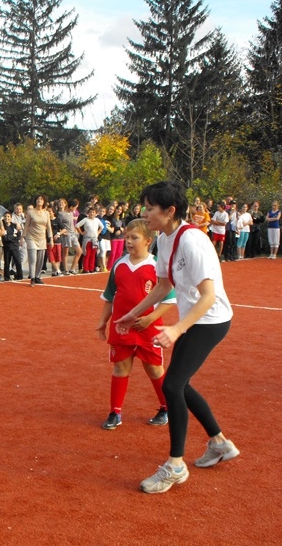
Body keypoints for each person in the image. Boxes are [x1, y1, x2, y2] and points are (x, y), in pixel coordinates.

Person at [115, 181, 239, 495]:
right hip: (194, 320)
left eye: (149, 208)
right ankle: (220, 443)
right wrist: (133, 313)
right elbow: (163, 286)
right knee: (179, 384)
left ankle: (175, 465)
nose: (144, 213)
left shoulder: (192, 240)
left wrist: (176, 329)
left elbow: (208, 296)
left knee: (172, 386)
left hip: (210, 320)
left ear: (170, 211)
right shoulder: (165, 239)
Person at [96, 219, 175, 430]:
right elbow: (110, 296)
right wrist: (103, 321)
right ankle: (115, 412)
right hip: (121, 326)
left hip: (148, 328)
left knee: (154, 369)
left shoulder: (157, 265)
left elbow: (169, 300)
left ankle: (166, 408)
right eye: (127, 237)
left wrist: (150, 318)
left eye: (134, 237)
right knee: (120, 366)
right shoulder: (118, 264)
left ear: (148, 240)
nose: (128, 241)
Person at [24, 194, 53, 285]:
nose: (39, 200)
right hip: (31, 237)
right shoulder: (30, 212)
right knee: (33, 259)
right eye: (38, 199)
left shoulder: (46, 213)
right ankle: (32, 278)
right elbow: (26, 225)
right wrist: (23, 237)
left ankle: (37, 276)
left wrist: (51, 238)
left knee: (40, 260)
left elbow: (48, 227)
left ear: (44, 201)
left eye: (41, 199)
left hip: (42, 238)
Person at [77, 206, 102, 274]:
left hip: (94, 240)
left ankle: (91, 268)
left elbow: (102, 227)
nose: (92, 213)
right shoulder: (86, 219)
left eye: (93, 212)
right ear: (88, 213)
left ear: (96, 213)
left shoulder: (97, 220)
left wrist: (98, 233)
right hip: (87, 239)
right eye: (90, 212)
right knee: (87, 254)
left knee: (93, 254)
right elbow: (77, 225)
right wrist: (81, 233)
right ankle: (86, 268)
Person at [2, 211, 23, 281]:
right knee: (7, 263)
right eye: (5, 216)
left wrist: (10, 237)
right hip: (7, 247)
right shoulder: (2, 226)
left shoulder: (14, 226)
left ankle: (19, 276)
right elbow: (5, 238)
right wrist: (12, 236)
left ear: (11, 218)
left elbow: (18, 235)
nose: (7, 218)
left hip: (15, 247)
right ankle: (6, 277)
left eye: (8, 216)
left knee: (18, 262)